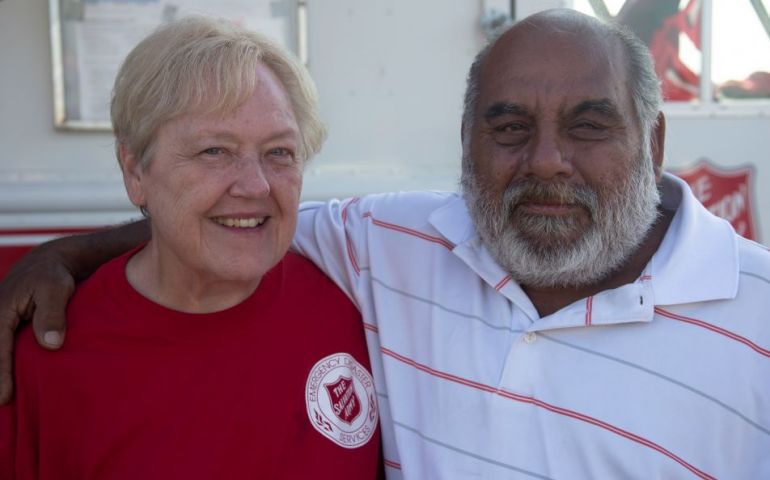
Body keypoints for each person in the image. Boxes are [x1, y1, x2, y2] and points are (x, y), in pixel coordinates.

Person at [2, 8, 769, 479]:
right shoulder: (390, 246)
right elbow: (225, 226)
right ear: (466, 141)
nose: (545, 160)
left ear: (655, 139)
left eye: (589, 124)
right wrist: (63, 255)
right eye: (508, 127)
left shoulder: (758, 322)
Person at [0, 16, 380, 479]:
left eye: (279, 152)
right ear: (136, 171)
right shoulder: (46, 352)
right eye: (213, 152)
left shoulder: (353, 308)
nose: (255, 185)